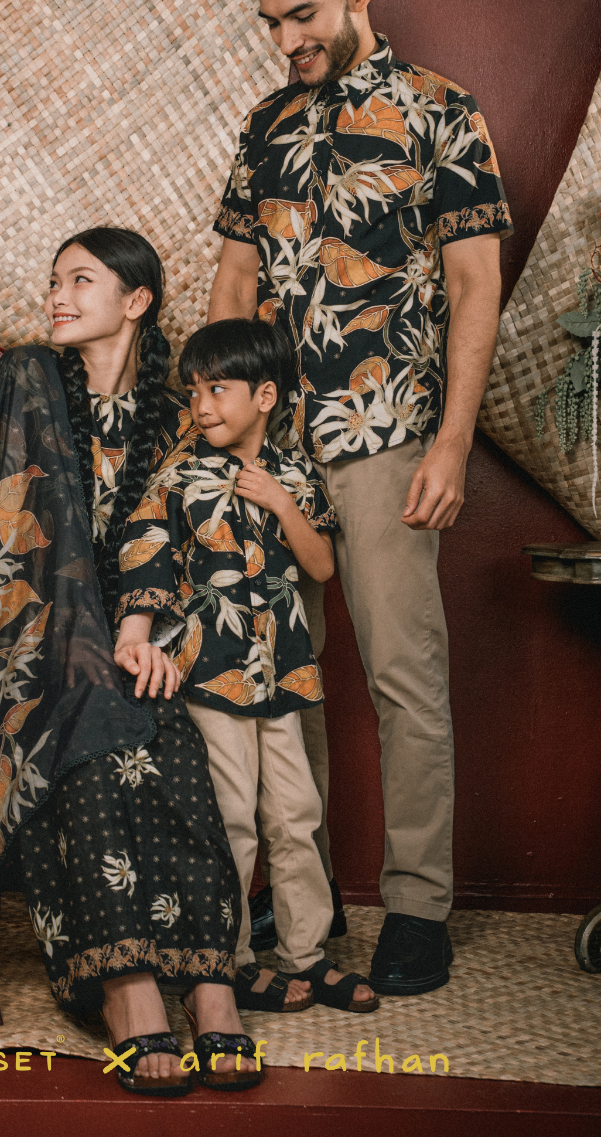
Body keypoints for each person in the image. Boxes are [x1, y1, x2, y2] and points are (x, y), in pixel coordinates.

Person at [0, 227, 260, 1094]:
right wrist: (87, 641)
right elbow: (6, 532)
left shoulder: (178, 416)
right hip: (24, 643)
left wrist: (153, 634)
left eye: (81, 279)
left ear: (137, 300)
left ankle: (210, 982)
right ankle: (126, 987)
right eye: (54, 280)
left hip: (136, 645)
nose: (57, 295)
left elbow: (193, 545)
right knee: (85, 723)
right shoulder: (30, 379)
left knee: (169, 744)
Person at [208, 0, 511, 995]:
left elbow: (475, 283)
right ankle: (306, 896)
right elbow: (234, 280)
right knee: (277, 674)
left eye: (304, 15)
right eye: (271, 23)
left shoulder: (441, 112)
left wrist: (453, 439)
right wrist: (220, 426)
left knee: (401, 674)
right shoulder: (263, 127)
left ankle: (418, 906)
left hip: (385, 433)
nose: (286, 40)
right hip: (274, 444)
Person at [114, 317, 376, 1014]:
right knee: (231, 817)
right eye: (194, 390)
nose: (201, 406)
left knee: (297, 814)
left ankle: (305, 954)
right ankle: (223, 961)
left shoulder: (294, 475)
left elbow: (322, 566)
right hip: (213, 676)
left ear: (264, 396)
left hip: (283, 672)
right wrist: (135, 634)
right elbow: (144, 557)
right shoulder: (178, 477)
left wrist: (283, 504)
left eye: (218, 390)